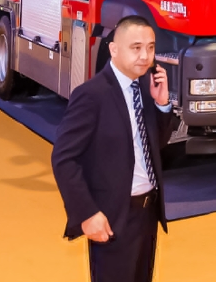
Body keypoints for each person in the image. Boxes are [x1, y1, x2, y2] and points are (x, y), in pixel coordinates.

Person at [51, 16, 176, 282]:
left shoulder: (145, 87)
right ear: (114, 49)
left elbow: (154, 146)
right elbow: (63, 159)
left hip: (147, 214)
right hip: (113, 216)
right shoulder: (92, 95)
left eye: (151, 47)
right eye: (136, 47)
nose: (145, 56)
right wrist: (87, 213)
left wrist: (162, 105)